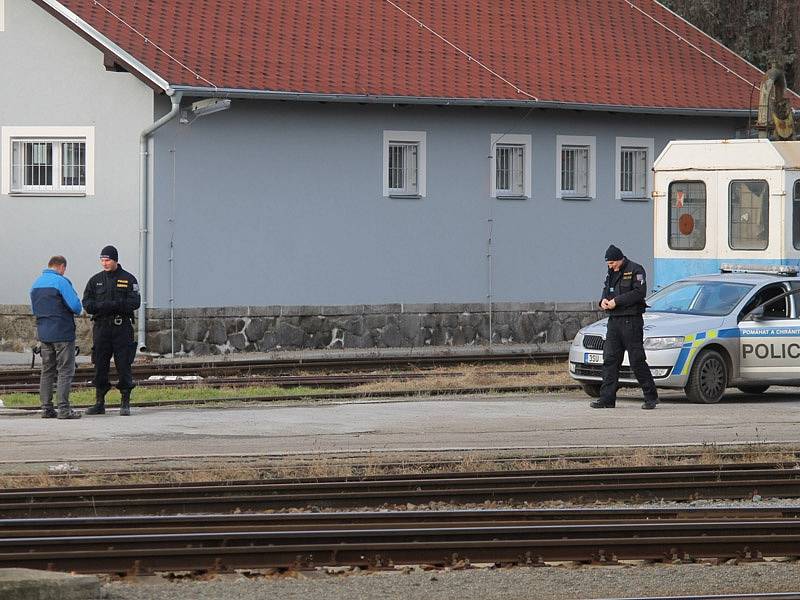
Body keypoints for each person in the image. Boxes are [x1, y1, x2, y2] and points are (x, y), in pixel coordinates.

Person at [591, 244, 659, 410]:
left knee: (636, 360)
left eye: (612, 263)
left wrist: (617, 301)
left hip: (631, 321)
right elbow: (606, 289)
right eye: (608, 264)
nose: (610, 266)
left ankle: (651, 397)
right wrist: (603, 301)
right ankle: (607, 399)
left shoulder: (636, 270)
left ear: (620, 259)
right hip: (614, 321)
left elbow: (639, 293)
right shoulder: (611, 273)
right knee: (610, 360)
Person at [82, 245, 140, 416]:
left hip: (121, 328)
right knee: (100, 365)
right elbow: (87, 304)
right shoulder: (95, 280)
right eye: (102, 260)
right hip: (101, 328)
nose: (104, 263)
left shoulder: (129, 279)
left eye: (107, 260)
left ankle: (125, 402)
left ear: (115, 260)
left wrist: (110, 306)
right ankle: (99, 402)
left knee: (124, 364)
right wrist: (107, 307)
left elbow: (134, 303)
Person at [30, 256, 83, 419]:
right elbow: (76, 306)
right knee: (65, 370)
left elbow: (34, 310)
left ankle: (46, 409)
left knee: (47, 370)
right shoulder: (61, 282)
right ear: (61, 267)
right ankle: (64, 409)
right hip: (62, 332)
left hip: (44, 334)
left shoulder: (35, 284)